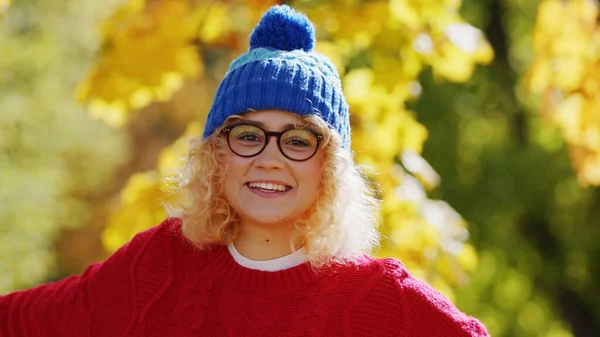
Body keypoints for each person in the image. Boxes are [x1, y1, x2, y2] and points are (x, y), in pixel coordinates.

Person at [0, 5, 489, 337]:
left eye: (298, 139)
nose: (269, 157)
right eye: (248, 135)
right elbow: (26, 321)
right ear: (217, 156)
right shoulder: (159, 265)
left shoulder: (383, 301)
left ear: (330, 167)